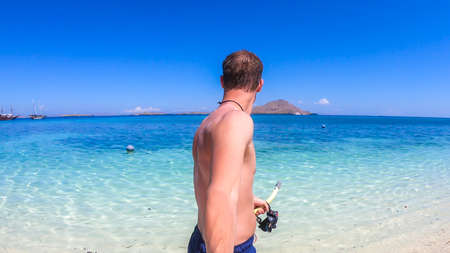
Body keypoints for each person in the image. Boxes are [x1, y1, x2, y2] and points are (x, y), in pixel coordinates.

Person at [188, 50, 269, 253]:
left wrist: (247, 199)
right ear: (260, 85)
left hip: (202, 239)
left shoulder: (205, 125)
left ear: (223, 81)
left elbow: (211, 181)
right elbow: (220, 194)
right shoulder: (238, 120)